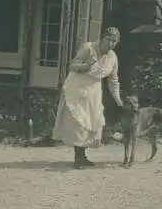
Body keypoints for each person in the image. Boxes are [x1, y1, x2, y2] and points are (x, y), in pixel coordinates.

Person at [52, 27, 124, 169]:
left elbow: (113, 81)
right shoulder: (88, 48)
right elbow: (73, 66)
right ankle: (78, 158)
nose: (111, 44)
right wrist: (87, 65)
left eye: (114, 41)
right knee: (79, 123)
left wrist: (119, 101)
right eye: (108, 40)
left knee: (91, 122)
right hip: (77, 88)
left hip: (94, 91)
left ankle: (83, 156)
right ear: (102, 39)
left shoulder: (113, 58)